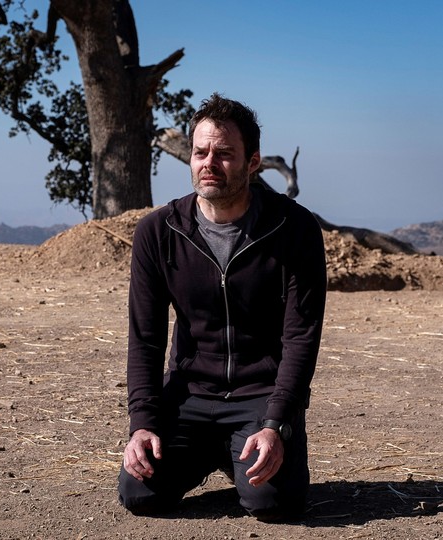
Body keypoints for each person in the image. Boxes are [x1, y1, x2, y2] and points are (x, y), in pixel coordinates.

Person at [118, 93, 327, 521]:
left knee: (274, 504)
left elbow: (301, 337)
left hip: (260, 396)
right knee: (139, 494)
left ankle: (243, 451)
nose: (209, 162)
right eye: (200, 152)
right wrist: (142, 423)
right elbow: (145, 338)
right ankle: (213, 451)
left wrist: (277, 423)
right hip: (189, 395)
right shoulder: (158, 232)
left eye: (224, 153)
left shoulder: (295, 229)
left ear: (253, 162)